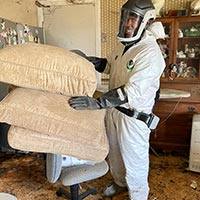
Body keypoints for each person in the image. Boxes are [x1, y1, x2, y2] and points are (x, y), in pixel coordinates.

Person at [69, 0, 166, 199]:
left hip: (133, 118)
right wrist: (88, 60)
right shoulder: (123, 46)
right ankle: (120, 183)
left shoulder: (150, 53)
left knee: (135, 161)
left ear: (145, 21)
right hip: (114, 112)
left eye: (133, 19)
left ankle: (138, 195)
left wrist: (96, 103)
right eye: (125, 18)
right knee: (115, 155)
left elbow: (131, 91)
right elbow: (109, 66)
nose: (128, 23)